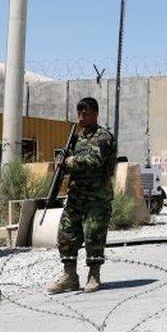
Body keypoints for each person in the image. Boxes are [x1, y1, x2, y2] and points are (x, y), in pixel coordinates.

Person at [47, 97, 118, 294]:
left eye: (85, 114)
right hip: (76, 196)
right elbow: (68, 162)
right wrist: (61, 161)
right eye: (79, 114)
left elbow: (94, 159)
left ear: (95, 114)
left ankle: (94, 275)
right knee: (66, 235)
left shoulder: (104, 137)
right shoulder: (76, 139)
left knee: (94, 237)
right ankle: (70, 275)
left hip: (97, 198)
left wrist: (69, 162)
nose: (81, 118)